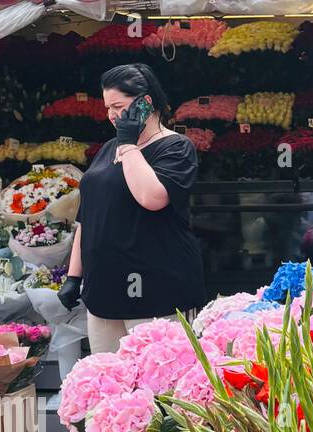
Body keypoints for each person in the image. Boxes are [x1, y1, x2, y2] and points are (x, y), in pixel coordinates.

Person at [58, 63, 208, 354]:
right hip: (103, 291)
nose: (112, 115)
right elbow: (87, 217)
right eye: (108, 108)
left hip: (156, 289)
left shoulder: (176, 148)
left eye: (119, 106)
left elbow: (152, 198)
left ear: (145, 103)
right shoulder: (107, 149)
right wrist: (74, 277)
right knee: (110, 381)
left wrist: (128, 146)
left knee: (160, 386)